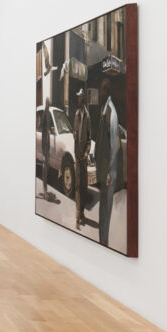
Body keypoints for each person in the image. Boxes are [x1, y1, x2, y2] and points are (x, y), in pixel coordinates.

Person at [95, 79, 120, 247]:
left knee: (105, 213)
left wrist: (110, 174)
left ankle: (104, 244)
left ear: (107, 92)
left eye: (102, 90)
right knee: (102, 211)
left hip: (109, 174)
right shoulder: (104, 111)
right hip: (103, 173)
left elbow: (113, 148)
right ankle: (101, 242)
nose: (100, 93)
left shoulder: (111, 114)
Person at [72, 88, 91, 230]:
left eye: (79, 98)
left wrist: (86, 153)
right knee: (78, 186)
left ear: (83, 99)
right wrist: (74, 133)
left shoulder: (88, 116)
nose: (78, 100)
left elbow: (89, 138)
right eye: (77, 98)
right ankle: (78, 215)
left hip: (83, 157)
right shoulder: (76, 114)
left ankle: (82, 213)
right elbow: (74, 131)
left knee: (84, 186)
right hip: (77, 156)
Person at [40, 97, 52, 199]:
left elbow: (49, 127)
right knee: (44, 169)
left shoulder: (48, 114)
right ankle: (44, 191)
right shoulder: (44, 114)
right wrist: (45, 131)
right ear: (46, 103)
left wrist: (49, 130)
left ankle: (45, 190)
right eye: (48, 103)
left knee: (47, 168)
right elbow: (40, 126)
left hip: (47, 144)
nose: (49, 104)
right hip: (44, 144)